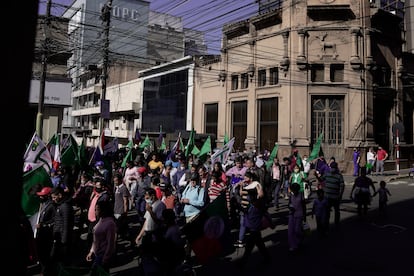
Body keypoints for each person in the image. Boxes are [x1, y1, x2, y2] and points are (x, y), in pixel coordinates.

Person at [86, 200, 117, 276]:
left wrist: (106, 258)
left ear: (104, 210)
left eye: (97, 209)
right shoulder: (100, 220)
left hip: (102, 255)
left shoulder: (110, 223)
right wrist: (91, 251)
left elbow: (111, 243)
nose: (95, 211)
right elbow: (95, 239)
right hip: (97, 253)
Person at [34, 186, 56, 276]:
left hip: (47, 235)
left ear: (48, 196)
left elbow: (55, 220)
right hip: (40, 233)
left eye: (42, 196)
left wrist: (43, 225)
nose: (40, 197)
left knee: (45, 253)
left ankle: (45, 271)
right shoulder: (43, 204)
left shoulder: (52, 206)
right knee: (40, 252)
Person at [317, 162, 344, 229]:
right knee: (329, 211)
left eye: (334, 168)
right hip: (328, 197)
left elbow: (342, 186)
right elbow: (321, 180)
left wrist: (340, 195)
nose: (333, 169)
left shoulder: (338, 176)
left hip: (334, 197)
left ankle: (335, 224)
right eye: (332, 168)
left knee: (335, 211)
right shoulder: (328, 174)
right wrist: (316, 176)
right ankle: (328, 224)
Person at [287, 182, 306, 252]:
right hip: (291, 215)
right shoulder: (291, 196)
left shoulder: (301, 195)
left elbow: (304, 206)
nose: (294, 191)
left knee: (297, 230)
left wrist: (305, 216)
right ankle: (293, 245)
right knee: (291, 231)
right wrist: (290, 207)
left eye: (295, 190)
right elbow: (288, 204)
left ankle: (299, 240)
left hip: (299, 215)